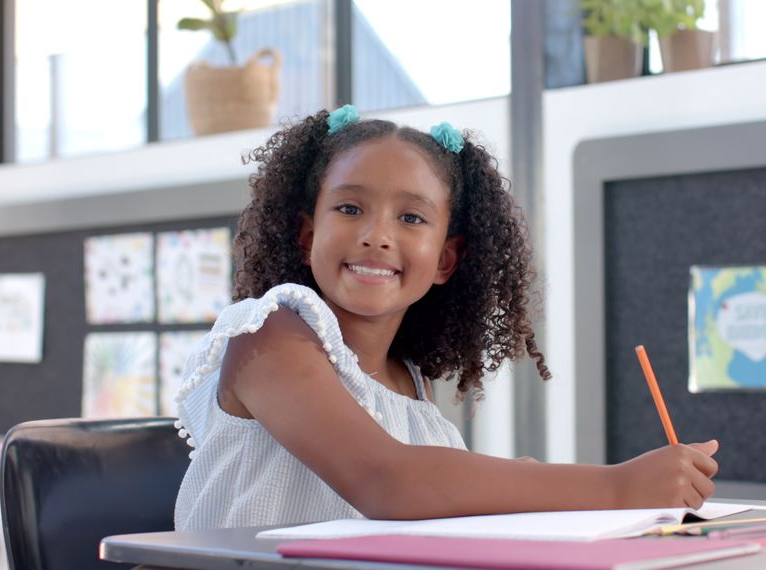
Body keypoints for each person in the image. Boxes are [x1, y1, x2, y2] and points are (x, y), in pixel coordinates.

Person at [173, 106, 719, 530]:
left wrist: (520, 483)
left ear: (445, 260)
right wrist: (619, 487)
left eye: (411, 217)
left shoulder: (408, 383)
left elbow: (420, 497)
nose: (377, 234)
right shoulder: (268, 333)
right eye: (349, 208)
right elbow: (388, 482)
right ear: (307, 234)